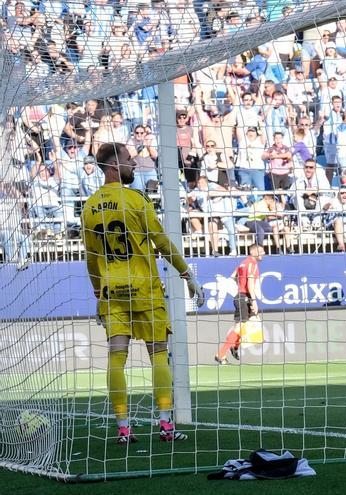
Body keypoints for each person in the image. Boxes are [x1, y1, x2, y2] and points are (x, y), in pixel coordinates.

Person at [82, 143, 205, 444]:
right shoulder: (136, 199)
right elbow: (161, 242)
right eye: (128, 160)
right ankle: (165, 425)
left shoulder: (89, 206)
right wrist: (187, 274)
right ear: (113, 166)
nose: (134, 164)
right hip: (144, 289)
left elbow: (92, 259)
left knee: (116, 358)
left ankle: (123, 428)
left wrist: (99, 295)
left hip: (112, 292)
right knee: (159, 356)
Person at [215, 244, 264, 364]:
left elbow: (232, 276)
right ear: (253, 251)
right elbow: (251, 284)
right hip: (244, 297)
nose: (263, 254)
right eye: (261, 251)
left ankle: (234, 346)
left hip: (240, 296)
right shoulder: (252, 264)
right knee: (239, 326)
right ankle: (221, 354)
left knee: (250, 323)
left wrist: (240, 286)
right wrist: (253, 300)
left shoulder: (243, 263)